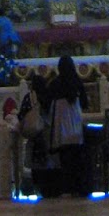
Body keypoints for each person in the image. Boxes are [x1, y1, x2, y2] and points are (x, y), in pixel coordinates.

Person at [39, 53, 89, 196]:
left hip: (61, 127)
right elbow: (85, 103)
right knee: (77, 157)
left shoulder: (55, 83)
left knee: (64, 157)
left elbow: (46, 102)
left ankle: (67, 187)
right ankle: (78, 188)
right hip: (75, 124)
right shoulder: (77, 82)